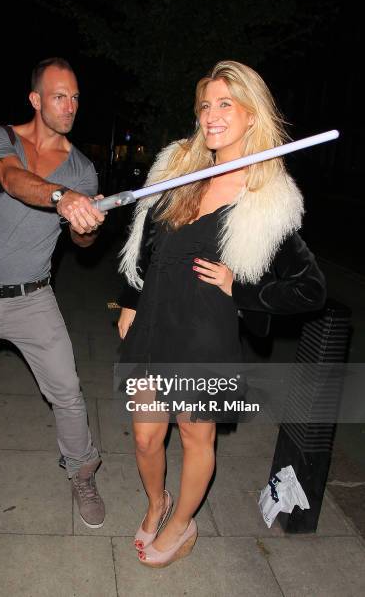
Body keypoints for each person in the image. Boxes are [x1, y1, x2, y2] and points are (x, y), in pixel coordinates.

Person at [117, 60, 326, 567]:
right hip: (154, 321)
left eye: (225, 104)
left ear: (252, 115)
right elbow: (141, 237)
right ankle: (157, 502)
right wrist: (128, 297)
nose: (211, 115)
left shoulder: (267, 196)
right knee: (146, 435)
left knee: (194, 434)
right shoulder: (178, 167)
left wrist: (245, 289)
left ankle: (183, 523)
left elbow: (311, 289)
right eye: (206, 105)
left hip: (204, 334)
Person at [0, 58, 106, 529]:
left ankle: (81, 468)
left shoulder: (83, 169)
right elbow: (11, 180)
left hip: (33, 298)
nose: (69, 106)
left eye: (74, 97)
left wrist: (86, 221)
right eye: (58, 96)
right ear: (35, 99)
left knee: (67, 392)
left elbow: (82, 243)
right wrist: (60, 197)